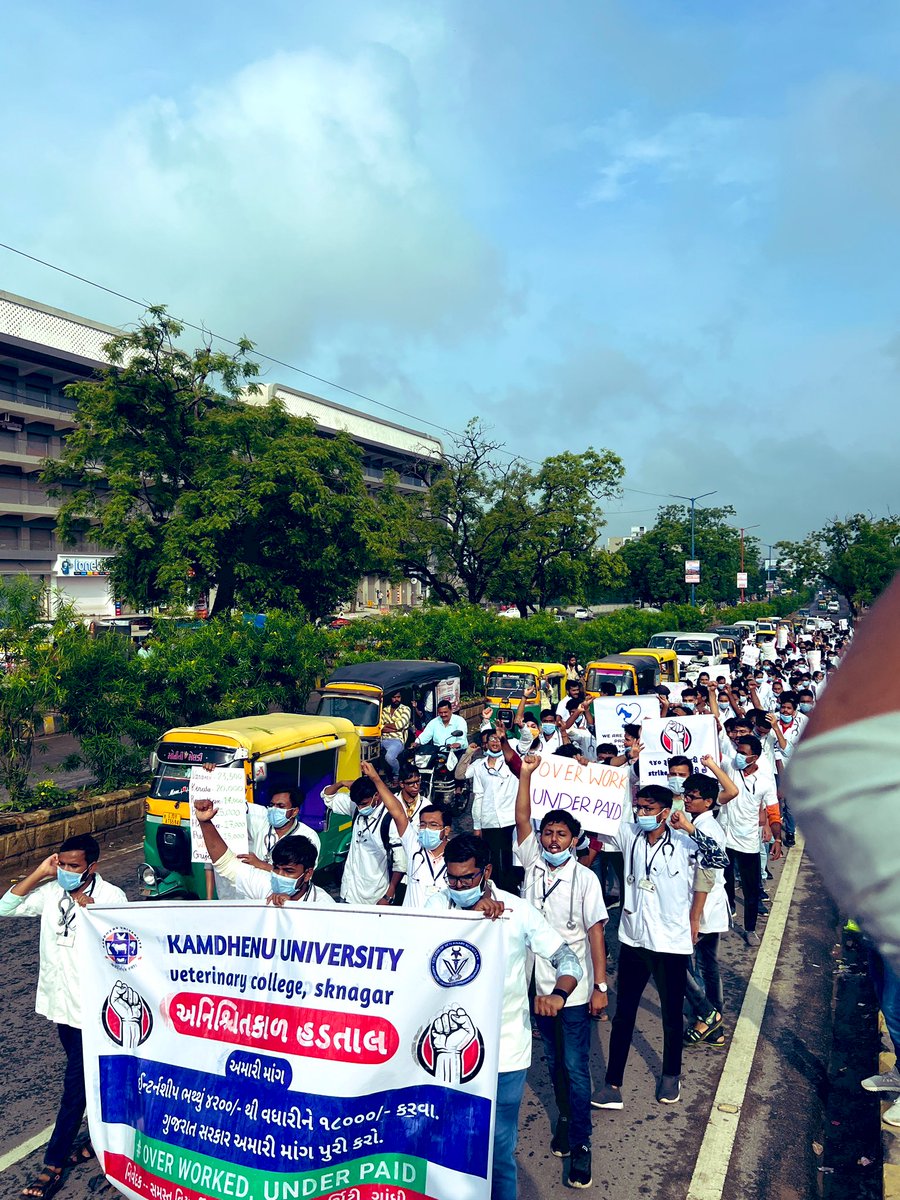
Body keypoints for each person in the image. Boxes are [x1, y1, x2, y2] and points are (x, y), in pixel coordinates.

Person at [424, 834, 583, 1200]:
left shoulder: (517, 911)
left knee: (497, 1152)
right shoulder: (434, 906)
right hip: (443, 1057)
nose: (459, 887)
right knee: (443, 1147)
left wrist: (558, 995)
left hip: (504, 1054)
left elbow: (567, 960)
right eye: (452, 878)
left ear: (487, 871)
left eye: (467, 879)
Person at [0, 835, 127, 1199]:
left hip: (93, 1011)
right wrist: (42, 870)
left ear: (92, 867)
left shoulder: (111, 898)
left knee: (75, 1088)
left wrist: (94, 915)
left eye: (74, 866)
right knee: (89, 1082)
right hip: (61, 1006)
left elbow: (124, 950)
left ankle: (52, 1163)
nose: (67, 872)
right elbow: (6, 907)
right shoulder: (51, 892)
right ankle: (104, 1142)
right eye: (63, 864)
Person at [590, 784, 728, 1108]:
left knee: (670, 1014)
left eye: (649, 809)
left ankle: (670, 1076)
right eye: (639, 807)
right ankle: (612, 1084)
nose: (642, 814)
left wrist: (690, 829)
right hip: (634, 938)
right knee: (623, 1013)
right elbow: (593, 829)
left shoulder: (684, 842)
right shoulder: (631, 835)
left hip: (671, 942)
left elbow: (718, 859)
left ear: (665, 812)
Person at [514, 755, 608, 1188]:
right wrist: (527, 775)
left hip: (573, 987)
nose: (552, 841)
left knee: (574, 1065)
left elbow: (594, 935)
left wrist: (601, 987)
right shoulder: (532, 862)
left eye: (560, 834)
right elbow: (521, 818)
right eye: (548, 833)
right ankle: (567, 1117)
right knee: (551, 1061)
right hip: (537, 986)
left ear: (575, 839)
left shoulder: (585, 879)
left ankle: (582, 1143)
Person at [193, 799, 332, 904]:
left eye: (289, 871)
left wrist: (291, 906)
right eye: (276, 869)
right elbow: (226, 864)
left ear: (308, 874)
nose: (279, 876)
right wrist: (205, 823)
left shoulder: (323, 904)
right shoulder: (266, 885)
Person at [681, 770, 732, 1048]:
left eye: (693, 797)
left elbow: (713, 863)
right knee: (707, 965)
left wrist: (694, 919)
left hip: (705, 908)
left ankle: (708, 1014)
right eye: (686, 795)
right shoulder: (696, 822)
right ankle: (714, 1023)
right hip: (697, 907)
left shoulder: (707, 828)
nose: (687, 800)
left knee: (694, 966)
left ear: (709, 802)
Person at [358, 763, 452, 908]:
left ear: (446, 830)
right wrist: (376, 778)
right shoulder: (414, 846)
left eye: (433, 825)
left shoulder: (456, 855)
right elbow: (398, 813)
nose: (426, 829)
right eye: (422, 825)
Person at [719, 736, 781, 946]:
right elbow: (714, 739)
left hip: (748, 841)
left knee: (751, 889)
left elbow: (773, 812)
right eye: (738, 750)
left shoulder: (764, 782)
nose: (739, 755)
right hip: (724, 836)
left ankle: (750, 929)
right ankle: (724, 919)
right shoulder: (728, 767)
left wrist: (777, 838)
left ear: (754, 757)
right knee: (723, 883)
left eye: (743, 753)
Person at [321, 775, 400, 905]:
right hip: (348, 892)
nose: (361, 808)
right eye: (358, 804)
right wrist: (342, 783)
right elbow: (327, 796)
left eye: (364, 804)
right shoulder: (356, 808)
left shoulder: (389, 820)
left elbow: (400, 863)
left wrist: (388, 895)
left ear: (377, 795)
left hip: (374, 897)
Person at [467, 728, 519, 893]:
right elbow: (478, 797)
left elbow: (525, 741)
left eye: (498, 739)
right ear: (486, 743)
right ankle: (495, 893)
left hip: (510, 819)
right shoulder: (479, 767)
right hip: (489, 821)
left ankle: (512, 893)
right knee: (493, 861)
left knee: (511, 860)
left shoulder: (511, 762)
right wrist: (477, 826)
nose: (495, 742)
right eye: (492, 739)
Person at [381, 690, 412, 783]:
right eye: (394, 697)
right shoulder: (385, 710)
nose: (396, 699)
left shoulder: (405, 709)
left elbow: (400, 725)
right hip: (382, 739)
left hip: (397, 740)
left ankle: (396, 775)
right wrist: (393, 727)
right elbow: (380, 726)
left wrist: (387, 725)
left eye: (398, 697)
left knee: (389, 757)